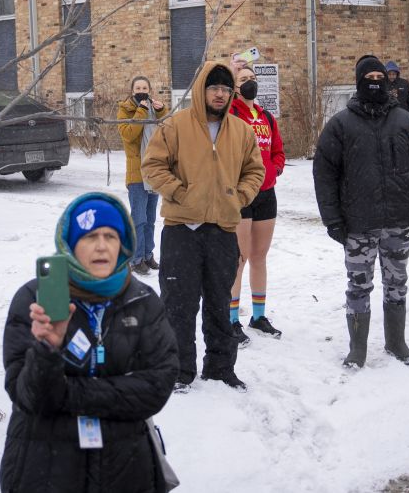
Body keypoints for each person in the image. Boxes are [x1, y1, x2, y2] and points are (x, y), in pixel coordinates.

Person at [0, 192, 179, 492]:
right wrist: (47, 349)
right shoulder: (34, 300)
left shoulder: (143, 301)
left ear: (123, 244)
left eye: (110, 235)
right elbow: (29, 397)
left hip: (126, 467)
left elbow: (156, 387)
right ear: (69, 245)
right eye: (89, 236)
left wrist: (68, 392)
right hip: (45, 468)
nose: (101, 245)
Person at [141, 61, 265, 392]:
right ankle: (180, 371)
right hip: (182, 230)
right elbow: (152, 166)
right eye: (214, 88)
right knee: (178, 305)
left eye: (226, 89)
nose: (220, 94)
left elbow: (256, 170)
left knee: (219, 303)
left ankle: (221, 368)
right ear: (201, 90)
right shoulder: (176, 126)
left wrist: (240, 196)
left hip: (223, 229)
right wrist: (179, 192)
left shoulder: (241, 130)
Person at [313, 55, 409, 369]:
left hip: (398, 221)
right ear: (359, 81)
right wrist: (332, 219)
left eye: (381, 76)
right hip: (358, 224)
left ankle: (396, 342)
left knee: (397, 283)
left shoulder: (405, 121)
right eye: (370, 77)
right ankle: (358, 348)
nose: (376, 81)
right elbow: (324, 173)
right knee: (358, 285)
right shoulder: (341, 124)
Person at [228, 63, 287, 344]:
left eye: (252, 78)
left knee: (259, 257)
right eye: (243, 79)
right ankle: (231, 321)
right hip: (240, 195)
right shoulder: (230, 114)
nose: (250, 82)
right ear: (235, 86)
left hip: (266, 194)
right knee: (239, 259)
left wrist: (273, 170)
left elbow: (278, 151)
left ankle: (258, 316)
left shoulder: (266, 117)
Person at [117, 76, 169, 275]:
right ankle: (135, 259)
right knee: (138, 218)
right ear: (132, 91)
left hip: (154, 171)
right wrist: (141, 111)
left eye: (145, 87)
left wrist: (161, 110)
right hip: (137, 174)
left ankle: (148, 255)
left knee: (150, 218)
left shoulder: (153, 110)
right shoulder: (125, 110)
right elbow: (128, 134)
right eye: (138, 88)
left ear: (149, 90)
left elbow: (167, 129)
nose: (141, 90)